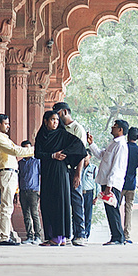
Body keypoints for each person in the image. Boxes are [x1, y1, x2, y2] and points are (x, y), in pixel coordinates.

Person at [34, 109, 88, 245]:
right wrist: (53, 155)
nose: (55, 123)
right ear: (45, 121)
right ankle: (54, 236)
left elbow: (80, 148)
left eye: (57, 120)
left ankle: (60, 237)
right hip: (47, 172)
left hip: (60, 172)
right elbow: (37, 154)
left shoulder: (63, 135)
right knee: (47, 202)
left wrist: (65, 154)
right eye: (52, 120)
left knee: (60, 202)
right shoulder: (41, 136)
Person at [0, 113, 34, 245]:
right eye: (6, 123)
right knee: (6, 206)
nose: (8, 126)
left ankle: (4, 234)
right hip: (6, 173)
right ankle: (2, 236)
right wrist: (35, 150)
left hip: (10, 173)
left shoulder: (4, 138)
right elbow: (16, 151)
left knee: (7, 206)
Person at [54, 102, 91, 244]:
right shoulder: (60, 129)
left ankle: (80, 234)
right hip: (62, 169)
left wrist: (78, 174)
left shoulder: (77, 129)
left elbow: (81, 153)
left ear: (64, 112)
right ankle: (66, 234)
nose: (56, 118)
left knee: (76, 200)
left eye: (57, 114)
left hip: (74, 168)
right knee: (64, 202)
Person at [90, 119, 130, 244]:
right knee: (109, 210)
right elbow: (102, 155)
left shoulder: (121, 145)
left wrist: (110, 185)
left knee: (113, 210)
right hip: (106, 181)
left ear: (120, 130)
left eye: (115, 126)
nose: (112, 128)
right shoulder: (113, 143)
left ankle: (118, 237)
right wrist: (91, 144)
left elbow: (117, 166)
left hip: (112, 183)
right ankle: (116, 236)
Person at [120, 127, 138, 239]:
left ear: (127, 136)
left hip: (120, 182)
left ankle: (117, 233)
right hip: (131, 183)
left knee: (115, 207)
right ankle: (127, 235)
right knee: (128, 209)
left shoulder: (123, 147)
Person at [17, 142, 42, 243]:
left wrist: (40, 190)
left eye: (28, 148)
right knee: (26, 214)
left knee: (34, 214)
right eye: (24, 149)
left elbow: (41, 175)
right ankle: (29, 236)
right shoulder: (20, 163)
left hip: (33, 191)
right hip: (23, 191)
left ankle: (38, 236)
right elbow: (18, 177)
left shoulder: (36, 161)